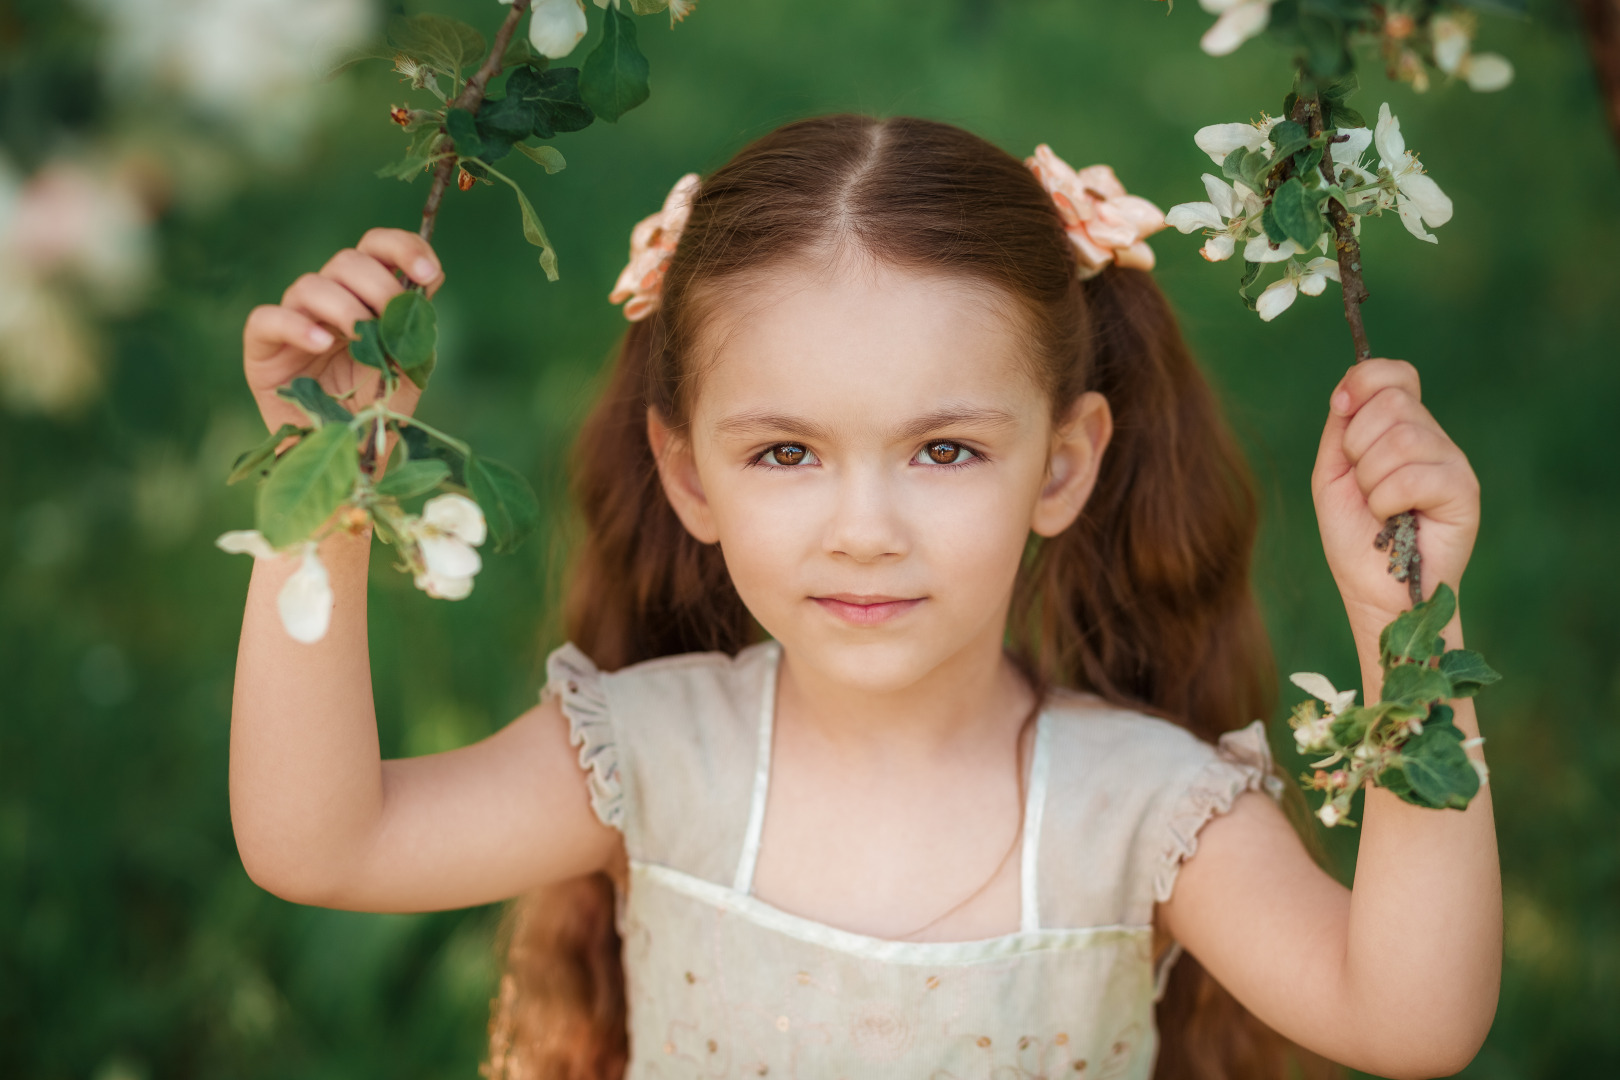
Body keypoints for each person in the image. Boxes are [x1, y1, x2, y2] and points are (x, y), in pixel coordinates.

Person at [231, 115, 1499, 1079]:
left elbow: (1412, 1020)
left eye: (944, 451)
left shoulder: (1138, 811)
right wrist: (323, 483)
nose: (865, 532)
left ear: (1062, 466)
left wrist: (1409, 626)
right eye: (786, 453)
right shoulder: (659, 756)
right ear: (688, 473)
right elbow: (320, 845)